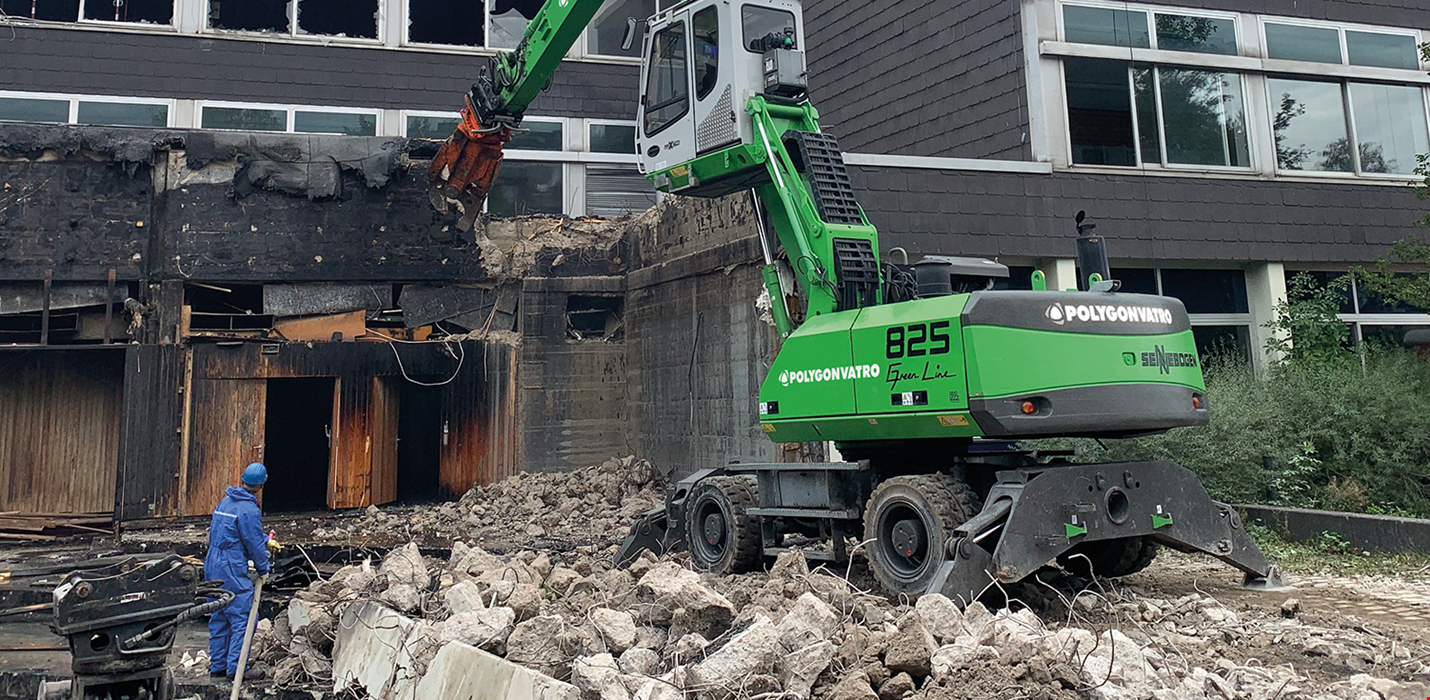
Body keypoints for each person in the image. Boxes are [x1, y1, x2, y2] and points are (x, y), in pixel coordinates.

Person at [205, 462, 271, 681]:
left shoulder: (225, 502)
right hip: (231, 566)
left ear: (242, 480)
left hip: (212, 562)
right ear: (261, 485)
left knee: (219, 614)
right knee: (241, 615)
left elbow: (229, 533)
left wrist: (262, 540)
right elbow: (252, 544)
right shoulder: (250, 510)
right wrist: (263, 568)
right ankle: (236, 668)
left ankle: (218, 666)